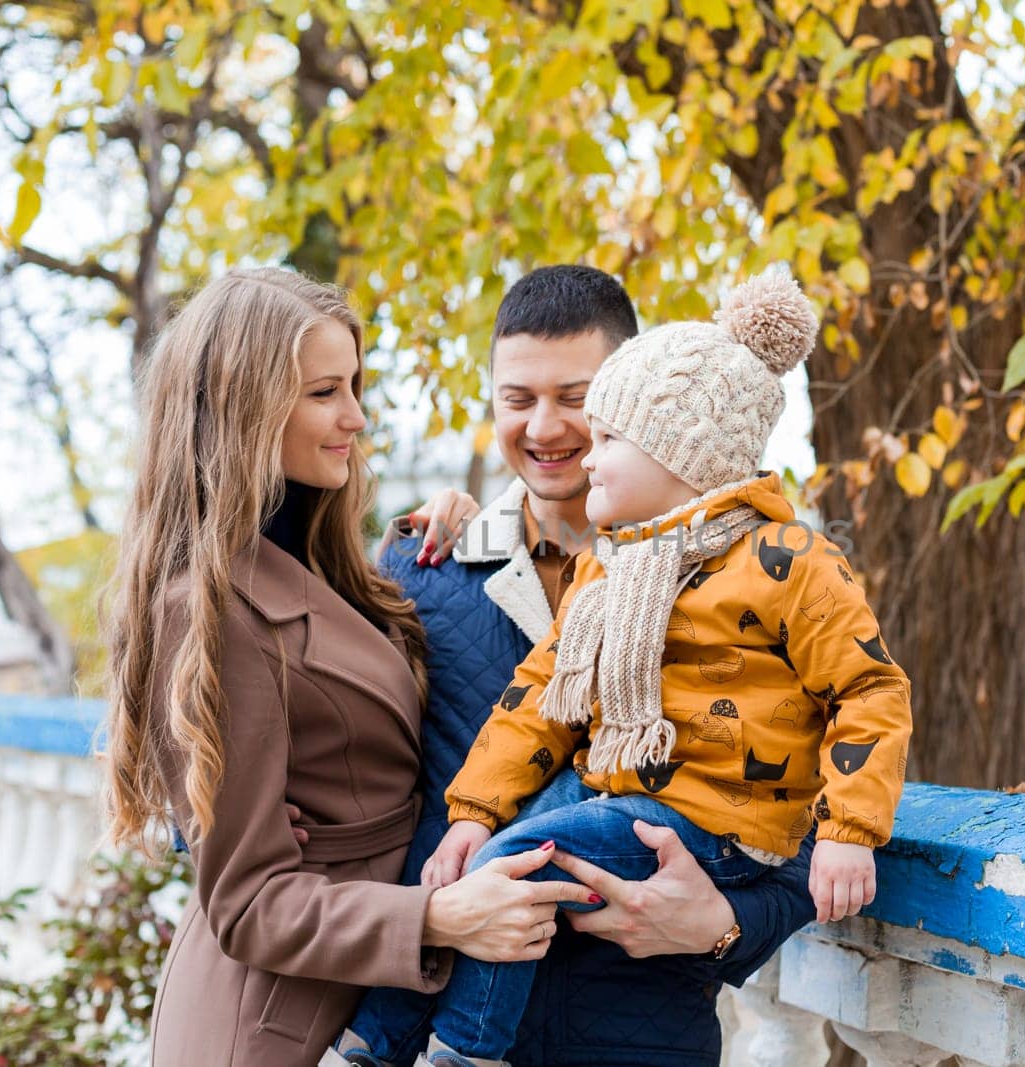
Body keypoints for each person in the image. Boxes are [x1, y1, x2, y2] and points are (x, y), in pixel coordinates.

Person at [330, 269, 913, 1067]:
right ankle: (383, 1042)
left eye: (580, 401)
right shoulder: (421, 567)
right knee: (517, 847)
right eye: (516, 398)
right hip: (457, 990)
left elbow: (821, 774)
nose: (549, 428)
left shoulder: (778, 569)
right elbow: (329, 752)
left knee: (525, 851)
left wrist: (726, 925)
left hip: (641, 1029)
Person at [99, 268, 593, 1067]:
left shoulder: (323, 561)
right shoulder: (209, 604)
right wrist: (440, 916)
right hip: (271, 1024)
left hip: (358, 1005)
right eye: (326, 391)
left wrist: (474, 526)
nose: (356, 416)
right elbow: (249, 901)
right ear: (247, 408)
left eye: (355, 385)